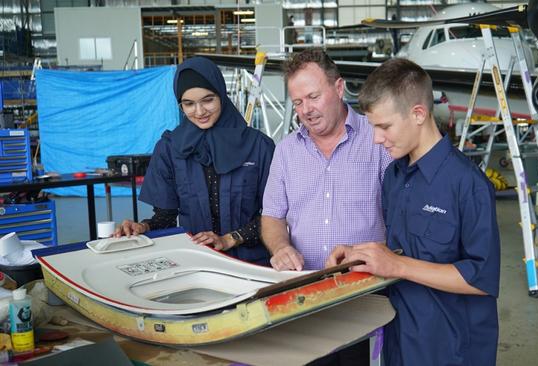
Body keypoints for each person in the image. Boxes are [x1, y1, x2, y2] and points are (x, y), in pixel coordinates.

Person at [326, 58, 500, 366]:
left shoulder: (468, 184)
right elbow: (406, 250)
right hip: (402, 339)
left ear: (418, 113)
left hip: (451, 348)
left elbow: (480, 278)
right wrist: (363, 255)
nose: (377, 139)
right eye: (373, 128)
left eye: (384, 126)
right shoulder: (395, 176)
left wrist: (397, 266)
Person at [114, 57, 275, 266]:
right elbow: (166, 217)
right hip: (195, 263)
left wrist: (230, 239)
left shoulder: (258, 146)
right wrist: (143, 228)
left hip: (251, 264)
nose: (199, 112)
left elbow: (277, 216)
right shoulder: (170, 149)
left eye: (208, 100)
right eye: (189, 104)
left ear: (221, 95)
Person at [261, 48, 392, 272]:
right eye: (298, 102)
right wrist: (281, 247)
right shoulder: (285, 151)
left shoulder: (378, 140)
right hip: (303, 282)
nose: (306, 110)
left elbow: (403, 215)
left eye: (314, 97)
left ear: (339, 88)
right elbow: (272, 216)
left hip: (366, 281)